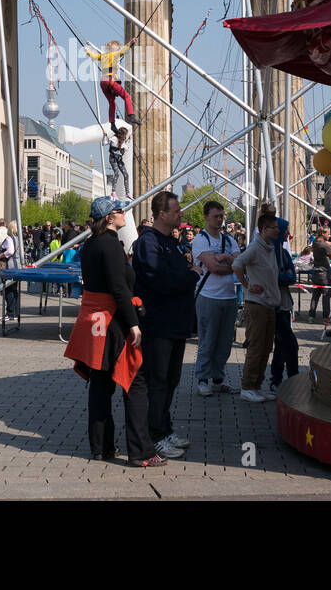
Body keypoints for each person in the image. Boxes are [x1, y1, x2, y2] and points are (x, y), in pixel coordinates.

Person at [63, 196, 160, 467]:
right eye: (119, 210)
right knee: (135, 383)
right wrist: (133, 325)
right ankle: (140, 452)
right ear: (108, 217)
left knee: (101, 384)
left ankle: (101, 447)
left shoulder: (90, 244)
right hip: (114, 321)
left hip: (94, 322)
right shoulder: (110, 245)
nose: (124, 213)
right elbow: (119, 289)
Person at [131, 191, 196, 460]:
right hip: (158, 325)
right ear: (162, 214)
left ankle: (164, 428)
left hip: (176, 324)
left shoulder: (170, 241)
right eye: (176, 210)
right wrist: (189, 276)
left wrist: (186, 274)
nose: (181, 214)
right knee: (157, 382)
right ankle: (154, 436)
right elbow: (161, 279)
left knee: (171, 380)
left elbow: (177, 274)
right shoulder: (148, 242)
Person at [191, 200, 242, 396]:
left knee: (225, 342)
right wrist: (230, 264)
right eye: (216, 216)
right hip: (208, 296)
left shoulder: (229, 240)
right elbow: (213, 268)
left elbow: (240, 264)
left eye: (221, 216)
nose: (220, 220)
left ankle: (218, 379)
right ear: (206, 217)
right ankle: (203, 378)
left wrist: (226, 259)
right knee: (208, 340)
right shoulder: (201, 239)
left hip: (229, 297)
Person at [233, 211, 282, 403]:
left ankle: (257, 385)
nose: (278, 230)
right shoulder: (255, 248)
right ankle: (247, 387)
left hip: (269, 304)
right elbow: (237, 265)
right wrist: (247, 285)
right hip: (257, 304)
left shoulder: (269, 247)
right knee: (256, 346)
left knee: (266, 347)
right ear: (264, 229)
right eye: (274, 227)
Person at [269, 217, 300, 393]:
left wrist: (284, 276)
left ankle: (277, 378)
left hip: (284, 304)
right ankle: (293, 377)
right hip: (274, 305)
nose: (288, 233)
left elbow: (291, 277)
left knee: (282, 344)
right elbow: (272, 276)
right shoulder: (270, 252)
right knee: (290, 343)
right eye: (285, 230)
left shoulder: (283, 252)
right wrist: (284, 276)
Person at [84, 39, 140, 127]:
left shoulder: (102, 56)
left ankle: (112, 124)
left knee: (112, 102)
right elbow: (124, 50)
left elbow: (93, 56)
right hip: (111, 80)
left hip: (103, 82)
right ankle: (131, 115)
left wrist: (87, 51)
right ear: (116, 49)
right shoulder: (115, 54)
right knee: (126, 96)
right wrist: (131, 42)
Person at [307, 225, 331, 323]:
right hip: (324, 273)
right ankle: (326, 317)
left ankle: (311, 316)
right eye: (328, 233)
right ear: (323, 233)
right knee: (326, 296)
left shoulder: (315, 242)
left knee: (315, 295)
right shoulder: (324, 245)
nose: (330, 235)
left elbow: (329, 243)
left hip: (315, 272)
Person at [107, 124, 131, 200]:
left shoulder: (123, 141)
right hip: (113, 159)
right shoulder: (114, 139)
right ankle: (113, 191)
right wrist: (105, 136)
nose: (125, 136)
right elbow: (105, 143)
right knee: (116, 173)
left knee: (126, 174)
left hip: (119, 159)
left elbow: (126, 148)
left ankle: (127, 193)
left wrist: (129, 140)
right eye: (125, 135)